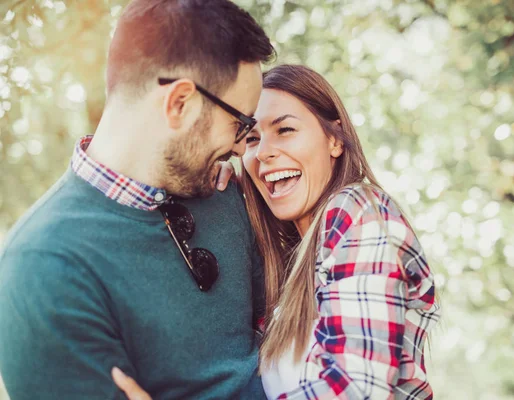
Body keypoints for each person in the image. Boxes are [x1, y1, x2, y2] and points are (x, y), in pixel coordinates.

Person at [113, 64, 441, 399]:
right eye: (252, 138)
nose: (264, 152)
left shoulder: (358, 209)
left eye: (285, 130)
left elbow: (356, 390)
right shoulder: (289, 264)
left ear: (334, 140)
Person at [0, 0, 275, 399]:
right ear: (179, 103)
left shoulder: (222, 192)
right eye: (240, 124)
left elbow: (291, 334)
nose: (240, 148)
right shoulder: (43, 268)